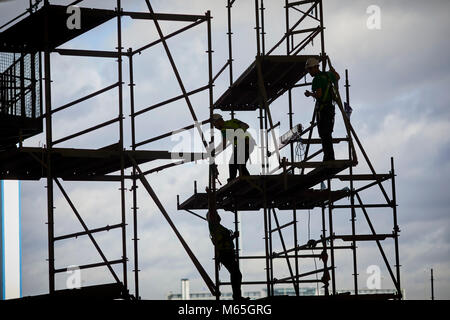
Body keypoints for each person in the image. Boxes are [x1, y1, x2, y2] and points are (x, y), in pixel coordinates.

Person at [304, 57, 340, 161]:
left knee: (324, 134)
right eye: (308, 70)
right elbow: (337, 77)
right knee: (328, 133)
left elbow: (319, 95)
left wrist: (310, 94)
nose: (309, 72)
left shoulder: (317, 79)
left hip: (323, 109)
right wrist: (333, 71)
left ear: (316, 67)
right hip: (330, 108)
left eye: (310, 69)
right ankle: (330, 157)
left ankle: (328, 158)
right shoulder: (328, 75)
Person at [206, 206, 244, 300]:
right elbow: (221, 241)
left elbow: (223, 240)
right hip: (225, 253)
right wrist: (212, 196)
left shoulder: (219, 227)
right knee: (236, 274)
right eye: (216, 214)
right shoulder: (213, 225)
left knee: (236, 274)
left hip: (227, 252)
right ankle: (237, 296)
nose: (218, 216)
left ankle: (237, 296)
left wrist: (233, 237)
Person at [211, 114, 255, 182]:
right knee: (235, 164)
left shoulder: (229, 125)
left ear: (218, 121)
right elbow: (223, 145)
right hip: (242, 145)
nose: (215, 127)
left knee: (238, 164)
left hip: (245, 143)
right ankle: (236, 180)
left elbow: (246, 126)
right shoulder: (228, 126)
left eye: (215, 124)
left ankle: (239, 180)